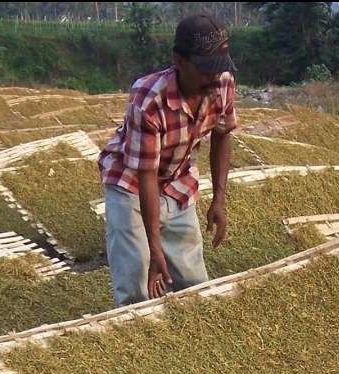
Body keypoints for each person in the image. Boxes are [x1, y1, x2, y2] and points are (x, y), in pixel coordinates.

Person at [98, 14, 237, 306]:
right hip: (131, 183)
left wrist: (219, 201)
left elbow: (223, 135)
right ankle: (135, 331)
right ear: (180, 61)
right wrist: (154, 247)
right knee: (137, 285)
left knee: (194, 283)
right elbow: (145, 175)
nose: (213, 78)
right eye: (205, 70)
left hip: (177, 180)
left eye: (218, 70)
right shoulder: (148, 99)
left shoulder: (221, 83)